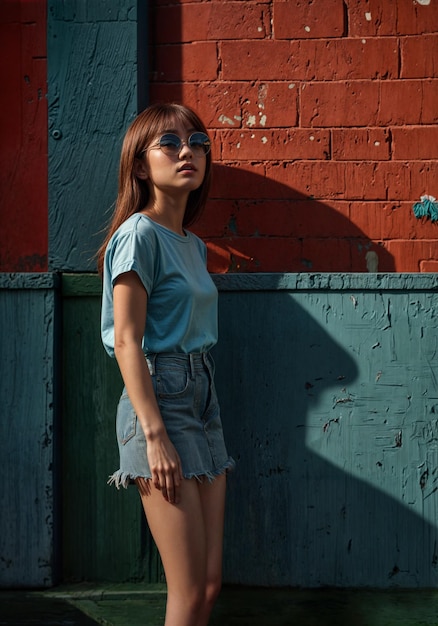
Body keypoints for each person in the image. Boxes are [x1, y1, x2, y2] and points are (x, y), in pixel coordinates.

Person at [97, 103, 234, 626]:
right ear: (139, 165)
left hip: (203, 399)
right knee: (188, 587)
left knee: (209, 584)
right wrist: (154, 434)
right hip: (160, 402)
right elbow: (128, 341)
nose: (188, 153)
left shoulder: (193, 246)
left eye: (197, 143)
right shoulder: (139, 234)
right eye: (170, 144)